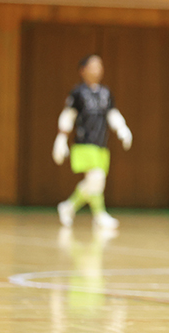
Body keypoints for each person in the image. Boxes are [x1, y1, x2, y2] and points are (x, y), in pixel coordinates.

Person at [53, 54, 132, 230]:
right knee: (96, 178)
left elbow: (112, 113)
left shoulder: (106, 93)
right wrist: (61, 138)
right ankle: (98, 214)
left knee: (97, 182)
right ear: (83, 70)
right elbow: (68, 115)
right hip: (84, 143)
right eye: (93, 65)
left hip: (101, 144)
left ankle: (69, 207)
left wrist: (122, 128)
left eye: (100, 65)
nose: (98, 69)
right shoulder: (78, 93)